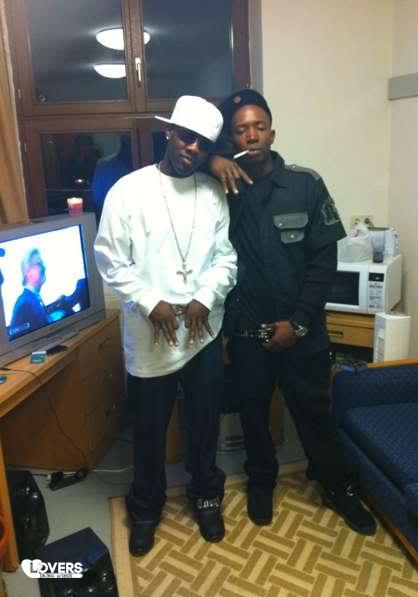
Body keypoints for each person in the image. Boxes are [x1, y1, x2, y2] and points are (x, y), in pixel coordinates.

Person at [208, 89, 376, 535]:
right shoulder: (221, 188)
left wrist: (298, 323)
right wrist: (212, 160)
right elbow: (178, 163)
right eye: (241, 129)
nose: (251, 135)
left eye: (259, 127)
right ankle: (261, 481)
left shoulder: (306, 184)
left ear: (272, 133)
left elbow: (324, 263)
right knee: (253, 413)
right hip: (248, 333)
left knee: (314, 413)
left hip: (302, 331)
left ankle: (336, 485)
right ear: (231, 139)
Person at [94, 95, 237, 556]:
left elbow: (226, 259)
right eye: (186, 136)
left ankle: (206, 496)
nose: (192, 148)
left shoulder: (212, 193)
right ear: (168, 132)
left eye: (203, 143)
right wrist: (150, 301)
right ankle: (145, 508)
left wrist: (205, 298)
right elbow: (110, 260)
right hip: (150, 334)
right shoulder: (128, 191)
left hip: (203, 332)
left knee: (204, 424)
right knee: (149, 430)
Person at [10, 248, 50, 337]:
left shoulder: (33, 299)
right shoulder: (25, 304)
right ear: (28, 273)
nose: (44, 267)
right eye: (39, 264)